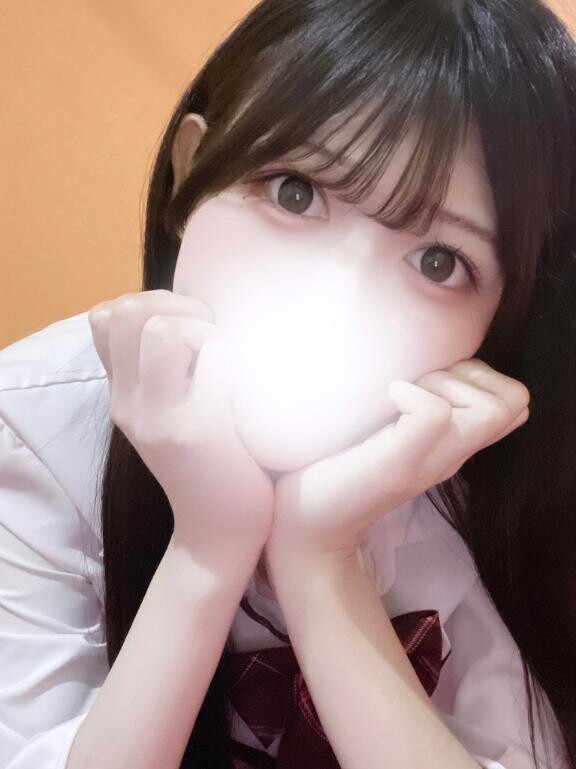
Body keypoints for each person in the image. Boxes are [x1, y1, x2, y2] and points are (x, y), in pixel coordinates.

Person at [1, 0, 575, 767]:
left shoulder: (491, 482)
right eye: (294, 192)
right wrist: (208, 549)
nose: (336, 297)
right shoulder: (35, 428)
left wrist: (322, 559)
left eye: (439, 261)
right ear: (190, 170)